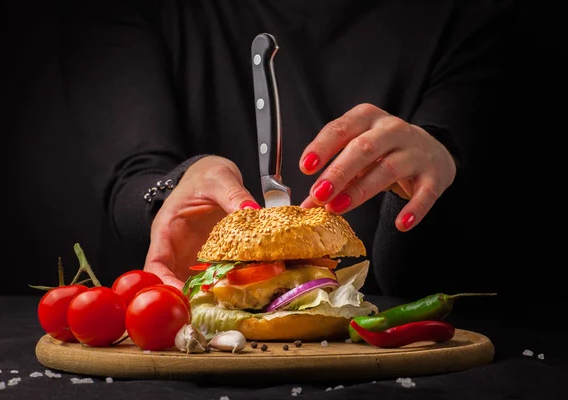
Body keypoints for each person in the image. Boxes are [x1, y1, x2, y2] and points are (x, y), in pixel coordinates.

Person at [60, 0, 517, 299]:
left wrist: (434, 163)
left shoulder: (469, 15)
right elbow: (132, 172)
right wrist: (177, 190)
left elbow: (423, 276)